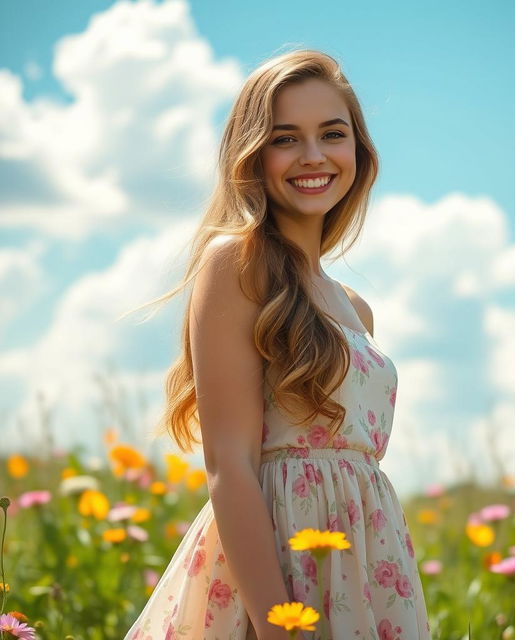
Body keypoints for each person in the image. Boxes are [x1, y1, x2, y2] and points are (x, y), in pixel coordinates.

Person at [123, 48, 433, 640]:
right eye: (285, 138)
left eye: (332, 134)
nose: (313, 156)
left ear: (358, 151)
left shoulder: (356, 307)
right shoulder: (237, 265)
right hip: (278, 564)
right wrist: (277, 626)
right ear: (252, 155)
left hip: (366, 563)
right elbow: (230, 466)